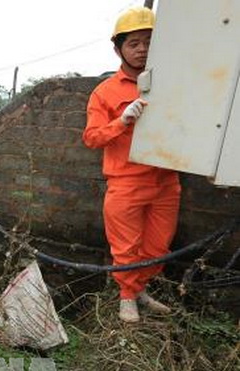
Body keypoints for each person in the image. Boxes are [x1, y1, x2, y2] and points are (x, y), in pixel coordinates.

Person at [82, 7, 180, 323]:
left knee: (158, 248)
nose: (142, 50)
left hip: (166, 180)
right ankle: (126, 297)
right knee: (126, 248)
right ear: (119, 49)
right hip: (125, 182)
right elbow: (92, 138)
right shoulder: (105, 92)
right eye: (134, 43)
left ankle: (139, 290)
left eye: (149, 42)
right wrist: (121, 121)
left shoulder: (174, 84)